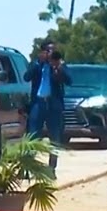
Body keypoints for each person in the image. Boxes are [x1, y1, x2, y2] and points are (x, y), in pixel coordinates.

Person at [22, 41, 71, 171]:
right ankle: (28, 167)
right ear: (42, 52)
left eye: (53, 51)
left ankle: (51, 168)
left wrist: (57, 67)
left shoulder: (59, 64)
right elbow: (26, 77)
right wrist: (39, 62)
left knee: (55, 137)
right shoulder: (37, 64)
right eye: (48, 51)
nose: (51, 54)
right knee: (32, 135)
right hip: (38, 103)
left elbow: (69, 80)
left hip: (54, 105)